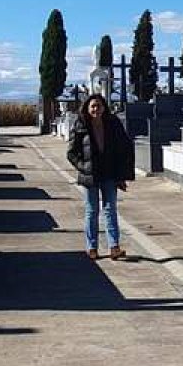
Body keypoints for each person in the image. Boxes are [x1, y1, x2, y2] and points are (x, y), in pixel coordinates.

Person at [67, 94, 135, 260]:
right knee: (92, 210)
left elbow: (124, 149)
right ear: (87, 108)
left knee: (110, 209)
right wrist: (84, 167)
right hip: (91, 175)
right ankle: (92, 247)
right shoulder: (81, 124)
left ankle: (114, 247)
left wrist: (122, 175)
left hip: (110, 173)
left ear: (104, 107)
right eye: (93, 106)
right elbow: (71, 153)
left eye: (99, 105)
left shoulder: (113, 124)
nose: (96, 109)